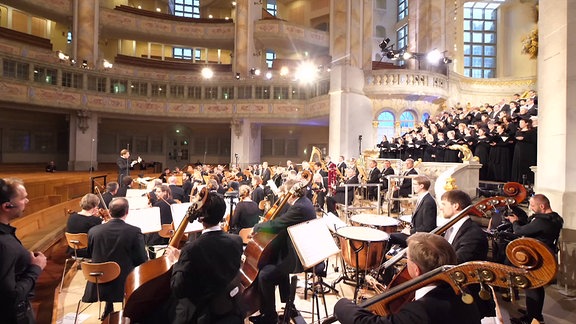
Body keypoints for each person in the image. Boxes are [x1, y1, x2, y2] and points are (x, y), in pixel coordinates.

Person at [334, 232, 481, 324]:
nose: (405, 262)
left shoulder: (422, 311)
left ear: (416, 270)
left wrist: (341, 304)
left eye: (407, 258)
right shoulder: (463, 293)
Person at [166, 192, 244, 323]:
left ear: (200, 218)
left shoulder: (191, 249)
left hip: (201, 311)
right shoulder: (236, 240)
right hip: (228, 304)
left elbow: (178, 289)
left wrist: (176, 262)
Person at [248, 177, 317, 324]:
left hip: (298, 255)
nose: (284, 196)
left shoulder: (299, 207)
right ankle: (287, 305)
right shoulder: (303, 202)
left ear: (292, 193)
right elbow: (284, 220)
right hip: (297, 247)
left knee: (264, 274)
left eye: (285, 193)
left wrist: (257, 227)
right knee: (272, 260)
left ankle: (270, 316)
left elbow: (279, 223)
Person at [84, 197, 148, 319]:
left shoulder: (93, 231)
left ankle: (108, 306)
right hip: (123, 283)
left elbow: (90, 254)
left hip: (98, 280)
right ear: (127, 212)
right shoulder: (134, 231)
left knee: (111, 264)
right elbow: (141, 259)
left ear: (109, 211)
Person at [507, 194, 563, 324]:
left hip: (536, 258)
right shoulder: (555, 218)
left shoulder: (542, 221)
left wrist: (514, 222)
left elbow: (519, 231)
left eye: (533, 205)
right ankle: (534, 314)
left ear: (542, 206)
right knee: (536, 287)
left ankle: (533, 319)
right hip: (545, 255)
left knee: (532, 286)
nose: (531, 208)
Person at [0, 178, 47, 324]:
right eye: (23, 198)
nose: (27, 201)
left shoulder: (6, 236)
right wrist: (36, 267)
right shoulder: (4, 245)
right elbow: (10, 297)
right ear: (7, 206)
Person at [388, 175, 437, 248]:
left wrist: (411, 231)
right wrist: (409, 227)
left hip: (420, 238)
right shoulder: (422, 198)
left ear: (421, 186)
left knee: (390, 237)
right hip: (416, 233)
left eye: (414, 184)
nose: (413, 186)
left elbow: (428, 227)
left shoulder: (428, 202)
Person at [66, 193, 103, 257]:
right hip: (88, 252)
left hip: (73, 249)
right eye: (97, 206)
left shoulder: (72, 217)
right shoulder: (95, 220)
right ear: (94, 206)